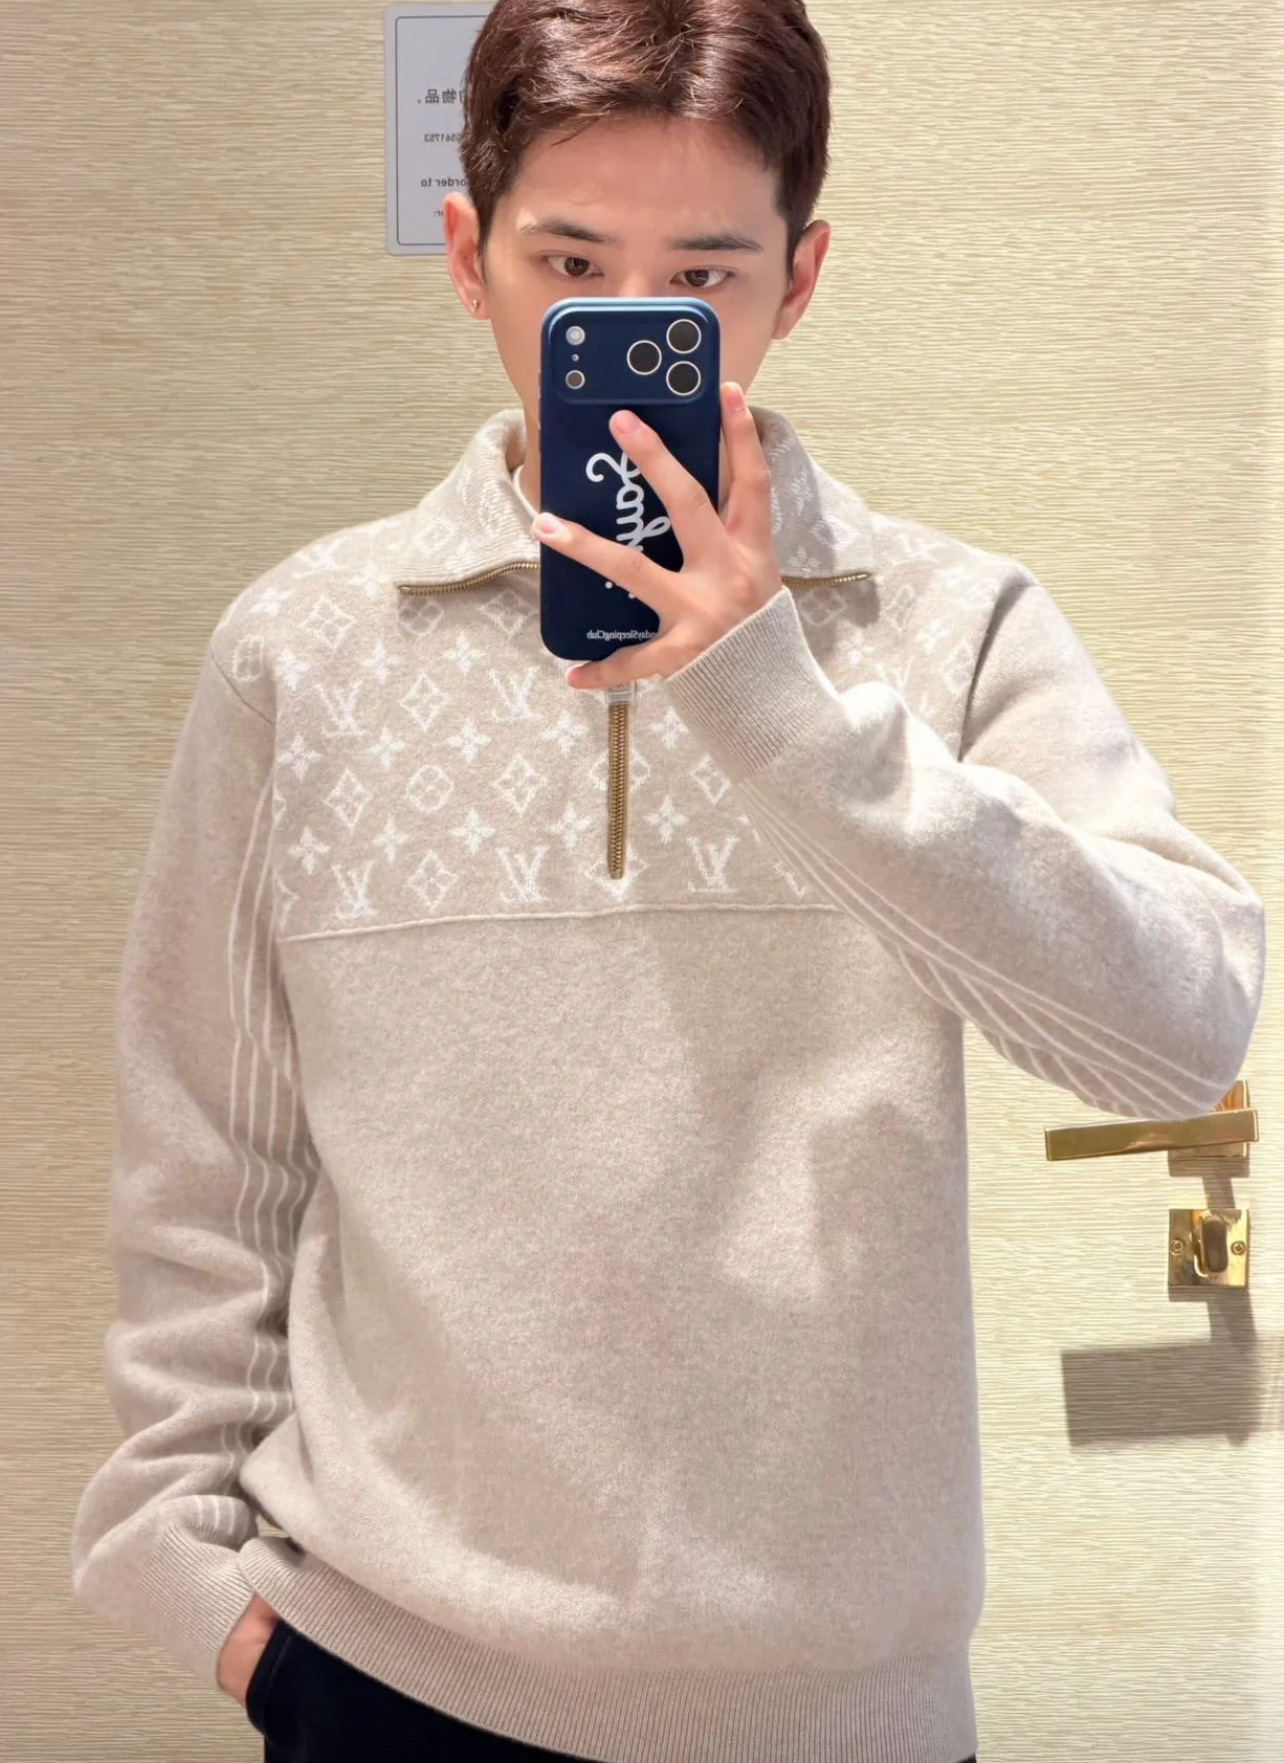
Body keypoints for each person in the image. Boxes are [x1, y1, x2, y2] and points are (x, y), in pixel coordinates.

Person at [69, 1, 1265, 1759]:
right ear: (468, 258)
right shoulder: (301, 650)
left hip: (847, 1717)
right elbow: (208, 1155)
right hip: (389, 1682)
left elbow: (1179, 1031)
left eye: (702, 280)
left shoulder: (952, 628)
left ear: (801, 279)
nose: (634, 332)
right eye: (571, 267)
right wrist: (193, 1583)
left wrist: (781, 705)